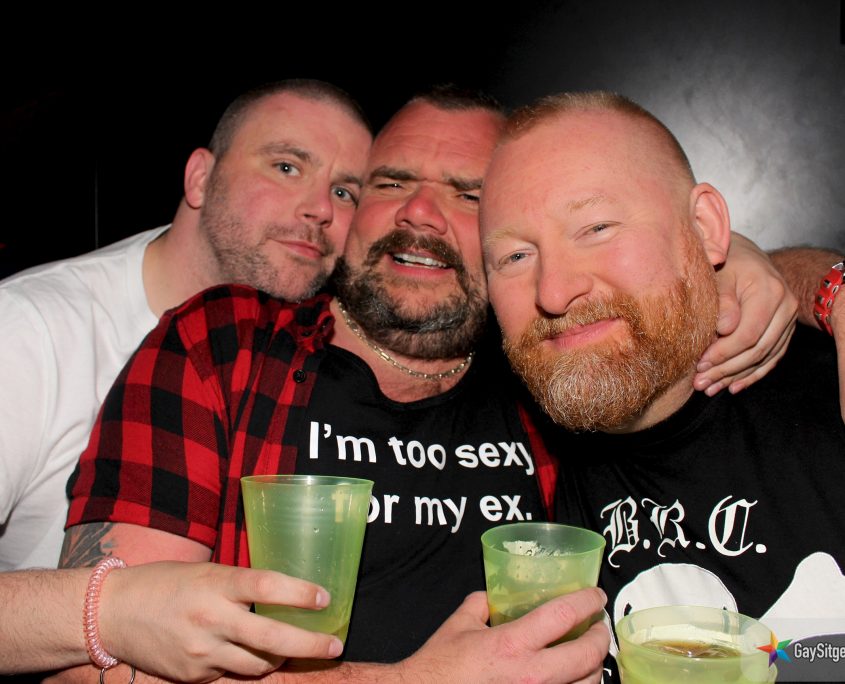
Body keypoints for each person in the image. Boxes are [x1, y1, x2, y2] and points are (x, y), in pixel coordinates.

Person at [61, 88, 814, 682]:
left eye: (467, 194)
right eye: (389, 182)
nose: (419, 213)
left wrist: (765, 268)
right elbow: (102, 662)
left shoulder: (551, 374)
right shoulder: (227, 346)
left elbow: (653, 299)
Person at [0, 79, 372, 676]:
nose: (320, 209)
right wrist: (110, 611)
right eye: (285, 166)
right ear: (200, 178)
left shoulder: (323, 353)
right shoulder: (30, 330)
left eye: (345, 191)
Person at [481, 91, 845, 682]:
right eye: (515, 256)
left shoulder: (827, 400)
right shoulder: (512, 458)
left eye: (596, 228)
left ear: (704, 227)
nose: (553, 292)